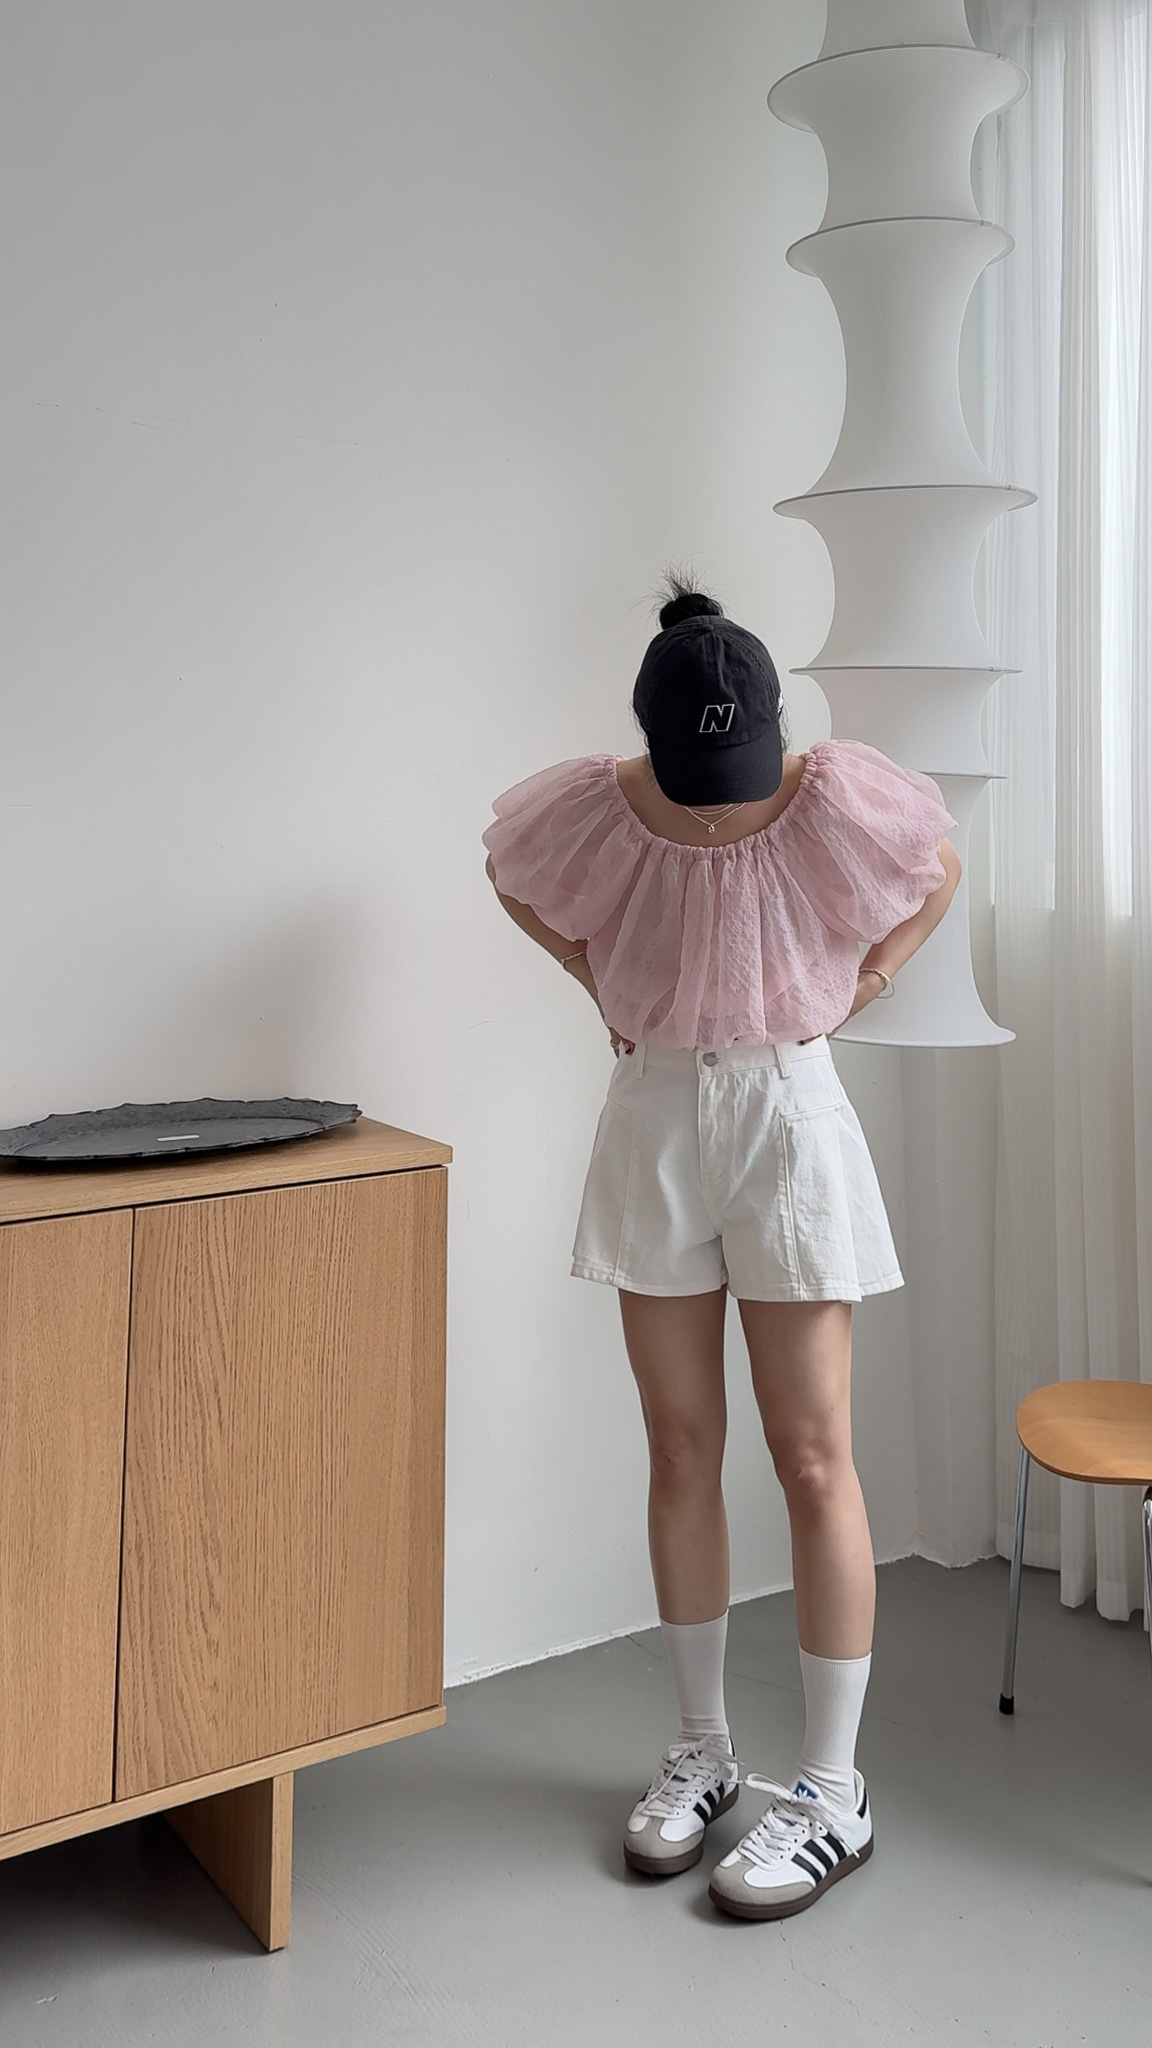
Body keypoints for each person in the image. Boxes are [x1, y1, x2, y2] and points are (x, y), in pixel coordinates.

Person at [480, 574, 961, 1923]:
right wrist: (598, 980)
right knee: (681, 1446)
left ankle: (833, 1788)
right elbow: (510, 876)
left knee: (811, 1455)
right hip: (654, 1118)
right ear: (651, 739)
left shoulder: (827, 793)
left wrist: (863, 983)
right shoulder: (601, 802)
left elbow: (939, 868)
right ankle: (703, 1750)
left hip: (785, 1113)